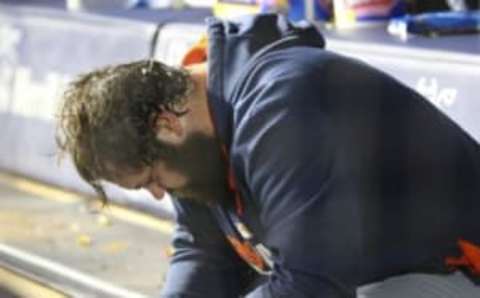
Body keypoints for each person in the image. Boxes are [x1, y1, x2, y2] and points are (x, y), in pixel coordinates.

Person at [56, 14, 480, 297]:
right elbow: (203, 249)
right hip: (388, 273)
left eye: (151, 177)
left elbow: (311, 284)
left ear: (167, 124)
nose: (155, 193)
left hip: (458, 268)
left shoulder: (282, 105)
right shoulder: (193, 130)